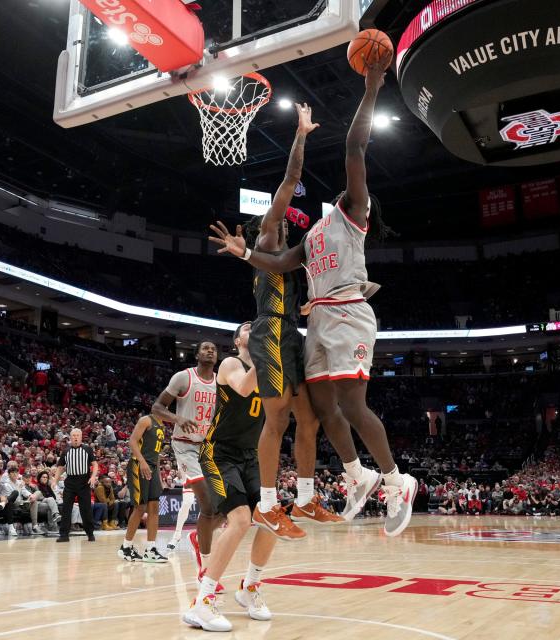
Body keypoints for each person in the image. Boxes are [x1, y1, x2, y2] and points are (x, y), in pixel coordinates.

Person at [207, 64, 418, 537]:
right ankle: (354, 475)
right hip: (312, 322)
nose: (349, 188)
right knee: (321, 408)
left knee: (344, 404)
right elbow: (281, 264)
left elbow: (355, 147)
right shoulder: (313, 234)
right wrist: (246, 253)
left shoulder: (352, 216)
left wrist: (370, 90)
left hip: (344, 314)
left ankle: (394, 480)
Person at [233, 103, 342, 540]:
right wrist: (301, 134)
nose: (280, 225)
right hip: (269, 332)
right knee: (276, 420)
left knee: (309, 418)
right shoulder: (267, 239)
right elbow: (290, 181)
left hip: (290, 333)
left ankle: (305, 498)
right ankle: (265, 505)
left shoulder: (292, 259)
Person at [182, 322, 273, 632]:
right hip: (219, 452)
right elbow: (246, 387)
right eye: (248, 328)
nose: (254, 328)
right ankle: (201, 602)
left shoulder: (269, 367)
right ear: (238, 340)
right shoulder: (232, 363)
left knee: (272, 518)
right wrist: (268, 351)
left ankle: (250, 587)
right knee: (239, 520)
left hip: (250, 455)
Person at [151, 343, 222, 581]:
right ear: (197, 354)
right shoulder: (184, 377)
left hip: (209, 448)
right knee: (207, 504)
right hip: (184, 446)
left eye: (213, 348)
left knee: (228, 505)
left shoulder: (221, 383)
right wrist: (177, 418)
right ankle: (206, 569)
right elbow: (157, 407)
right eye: (205, 348)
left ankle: (197, 536)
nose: (210, 351)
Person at [118, 415, 167, 563]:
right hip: (139, 465)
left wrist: (159, 477)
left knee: (154, 507)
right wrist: (142, 461)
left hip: (152, 468)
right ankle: (126, 547)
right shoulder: (146, 420)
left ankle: (150, 550)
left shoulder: (162, 426)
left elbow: (157, 455)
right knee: (140, 507)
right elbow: (132, 441)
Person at [54, 428, 98, 542]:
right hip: (70, 482)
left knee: (86, 509)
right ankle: (64, 535)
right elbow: (60, 467)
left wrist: (93, 477)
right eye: (73, 435)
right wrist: (55, 480)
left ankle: (90, 533)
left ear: (81, 436)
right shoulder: (66, 450)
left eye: (78, 435)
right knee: (66, 509)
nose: (76, 437)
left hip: (84, 482)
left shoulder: (87, 449)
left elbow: (95, 464)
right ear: (70, 437)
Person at [166, 468, 196, 554]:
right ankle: (177, 534)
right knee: (187, 502)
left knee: (207, 505)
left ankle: (198, 536)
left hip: (203, 466)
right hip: (187, 466)